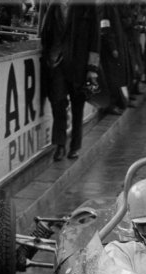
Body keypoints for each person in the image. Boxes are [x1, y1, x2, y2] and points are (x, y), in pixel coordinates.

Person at [39, 0, 101, 162]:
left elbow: (95, 38)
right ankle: (60, 145)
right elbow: (45, 31)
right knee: (58, 102)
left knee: (77, 105)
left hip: (78, 64)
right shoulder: (52, 4)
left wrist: (92, 68)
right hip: (56, 62)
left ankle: (75, 146)